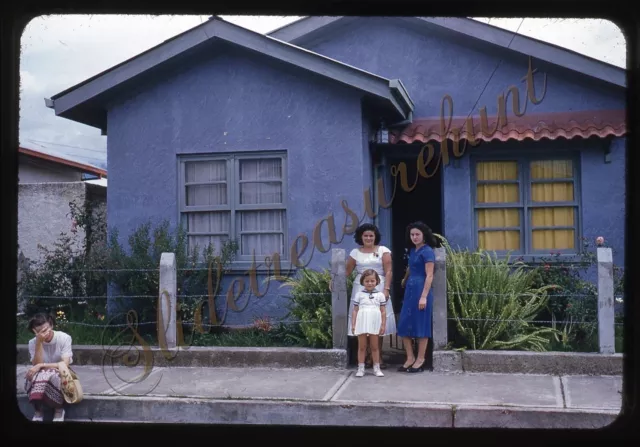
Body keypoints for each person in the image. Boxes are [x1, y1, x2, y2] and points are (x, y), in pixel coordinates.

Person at [331, 223, 396, 369]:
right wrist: (334, 281)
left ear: (375, 237)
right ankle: (367, 355)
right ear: (361, 237)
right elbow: (347, 271)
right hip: (360, 289)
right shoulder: (355, 252)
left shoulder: (384, 250)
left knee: (378, 321)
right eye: (365, 235)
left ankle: (378, 357)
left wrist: (386, 289)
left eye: (371, 235)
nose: (368, 238)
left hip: (378, 287)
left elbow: (389, 271)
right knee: (363, 321)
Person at [396, 222, 438, 373]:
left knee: (421, 325)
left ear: (424, 235)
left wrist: (424, 297)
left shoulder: (427, 252)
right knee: (403, 325)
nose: (414, 237)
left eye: (417, 234)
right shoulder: (413, 250)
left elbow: (430, 275)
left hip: (421, 289)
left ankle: (421, 359)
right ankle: (410, 357)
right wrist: (405, 279)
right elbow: (410, 266)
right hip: (410, 289)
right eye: (412, 234)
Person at [24, 312, 74, 422]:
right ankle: (38, 411)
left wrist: (42, 365)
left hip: (61, 372)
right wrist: (38, 343)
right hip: (42, 373)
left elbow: (64, 364)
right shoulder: (33, 343)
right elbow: (36, 364)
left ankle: (59, 410)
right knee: (30, 376)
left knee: (53, 376)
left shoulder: (64, 338)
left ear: (51, 325)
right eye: (40, 331)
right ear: (34, 331)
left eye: (46, 329)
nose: (45, 333)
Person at [350, 269, 387, 377]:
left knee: (374, 346)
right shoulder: (359, 295)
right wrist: (353, 324)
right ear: (362, 282)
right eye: (367, 281)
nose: (370, 283)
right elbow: (355, 310)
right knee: (362, 346)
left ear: (377, 281)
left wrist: (383, 324)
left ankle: (377, 368)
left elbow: (383, 311)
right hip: (362, 321)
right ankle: (361, 368)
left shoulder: (380, 295)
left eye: (372, 281)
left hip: (374, 322)